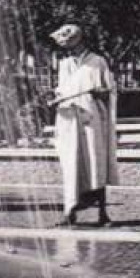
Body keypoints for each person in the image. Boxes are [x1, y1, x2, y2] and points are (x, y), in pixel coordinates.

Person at [51, 24, 119, 225]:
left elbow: (110, 91)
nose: (68, 48)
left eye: (70, 44)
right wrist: (57, 97)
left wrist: (100, 93)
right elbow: (62, 90)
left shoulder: (97, 62)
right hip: (69, 120)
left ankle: (102, 213)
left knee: (95, 161)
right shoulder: (64, 65)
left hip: (91, 120)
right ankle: (70, 212)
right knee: (72, 163)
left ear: (79, 40)